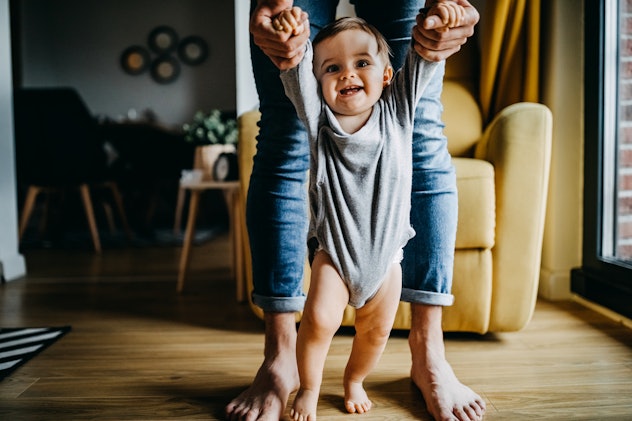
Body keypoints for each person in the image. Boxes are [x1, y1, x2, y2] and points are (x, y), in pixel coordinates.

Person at [225, 1, 486, 420]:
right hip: (334, 258)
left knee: (376, 333)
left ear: (387, 75)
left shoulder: (399, 108)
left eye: (361, 62)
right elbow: (294, 71)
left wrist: (443, 26)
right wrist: (291, 41)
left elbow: (422, 57)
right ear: (317, 81)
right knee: (319, 323)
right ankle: (302, 382)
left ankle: (358, 379)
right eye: (331, 68)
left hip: (388, 263)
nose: (346, 73)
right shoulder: (318, 118)